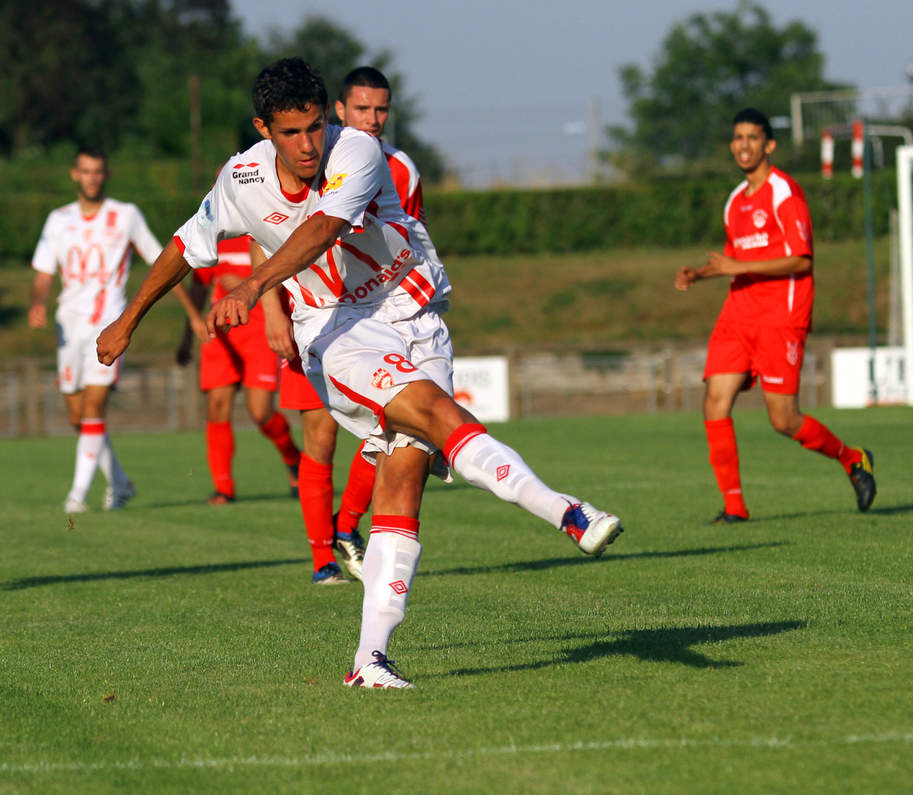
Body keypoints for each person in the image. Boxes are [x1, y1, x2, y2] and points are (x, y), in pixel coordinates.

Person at [96, 58, 623, 689]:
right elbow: (186, 244)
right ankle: (566, 512)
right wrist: (128, 320)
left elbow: (324, 227)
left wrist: (257, 280)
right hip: (336, 331)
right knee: (433, 414)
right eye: (290, 133)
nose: (308, 145)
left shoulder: (359, 150)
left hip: (414, 311)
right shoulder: (238, 178)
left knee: (404, 477)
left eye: (315, 127)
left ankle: (369, 660)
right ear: (263, 128)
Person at [263, 66, 435, 586]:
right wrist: (273, 309)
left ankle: (347, 527)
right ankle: (323, 559)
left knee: (395, 426)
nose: (373, 119)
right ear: (340, 111)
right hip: (312, 315)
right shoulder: (306, 155)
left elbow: (408, 243)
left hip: (378, 321)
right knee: (319, 439)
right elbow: (264, 232)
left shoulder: (401, 169)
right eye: (362, 109)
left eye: (381, 110)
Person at [674, 107, 876, 523]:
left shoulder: (785, 193)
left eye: (752, 138)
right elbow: (737, 259)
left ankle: (853, 458)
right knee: (714, 402)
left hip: (781, 316)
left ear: (769, 145)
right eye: (737, 138)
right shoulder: (734, 202)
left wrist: (736, 267)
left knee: (783, 420)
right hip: (738, 315)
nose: (743, 145)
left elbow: (801, 261)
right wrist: (701, 273)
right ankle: (735, 509)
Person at [29, 146, 163, 513]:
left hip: (108, 325)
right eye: (85, 171)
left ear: (105, 174)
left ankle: (77, 496)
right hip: (68, 328)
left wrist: (192, 315)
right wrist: (37, 302)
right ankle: (120, 483)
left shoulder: (126, 215)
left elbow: (162, 261)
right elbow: (43, 273)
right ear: (75, 174)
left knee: (93, 409)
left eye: (98, 171)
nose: (92, 177)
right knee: (78, 417)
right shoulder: (58, 219)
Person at [175, 234, 302, 505]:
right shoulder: (215, 235)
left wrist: (247, 287)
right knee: (216, 406)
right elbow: (199, 289)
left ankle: (294, 460)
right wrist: (187, 334)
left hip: (260, 330)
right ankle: (224, 487)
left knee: (260, 412)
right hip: (220, 331)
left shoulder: (267, 226)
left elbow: (292, 278)